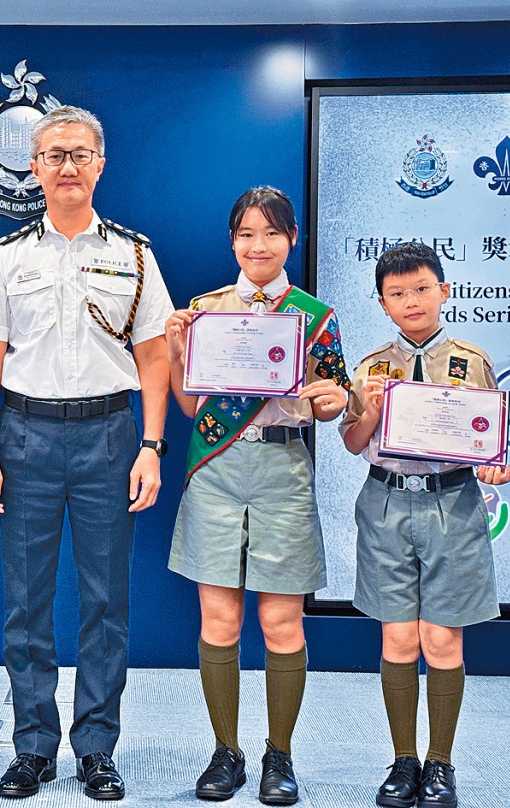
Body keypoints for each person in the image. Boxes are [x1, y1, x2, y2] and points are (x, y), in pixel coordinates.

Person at [0, 105, 172, 802]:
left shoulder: (134, 256)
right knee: (25, 600)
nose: (68, 167)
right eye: (55, 156)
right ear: (34, 168)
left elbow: (153, 355)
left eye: (81, 154)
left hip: (112, 436)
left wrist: (150, 444)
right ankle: (32, 746)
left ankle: (96, 747)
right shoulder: (7, 257)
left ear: (101, 164)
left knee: (105, 601)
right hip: (24, 437)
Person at [164, 187, 350, 805]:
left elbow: (335, 400)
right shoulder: (207, 310)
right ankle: (226, 751)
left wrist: (333, 400)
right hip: (217, 471)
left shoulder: (315, 315)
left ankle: (280, 756)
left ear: (291, 239)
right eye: (246, 234)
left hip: (282, 468)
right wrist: (173, 347)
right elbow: (193, 407)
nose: (258, 246)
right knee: (219, 620)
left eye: (271, 233)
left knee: (280, 621)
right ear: (232, 241)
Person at [341, 241, 510, 808]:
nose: (410, 301)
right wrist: (365, 408)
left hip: (454, 503)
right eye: (397, 294)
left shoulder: (471, 360)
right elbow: (351, 442)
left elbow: (490, 444)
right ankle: (403, 761)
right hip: (388, 504)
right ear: (383, 303)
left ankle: (440, 764)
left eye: (421, 288)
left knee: (441, 639)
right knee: (397, 636)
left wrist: (496, 464)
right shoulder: (369, 367)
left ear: (443, 290)